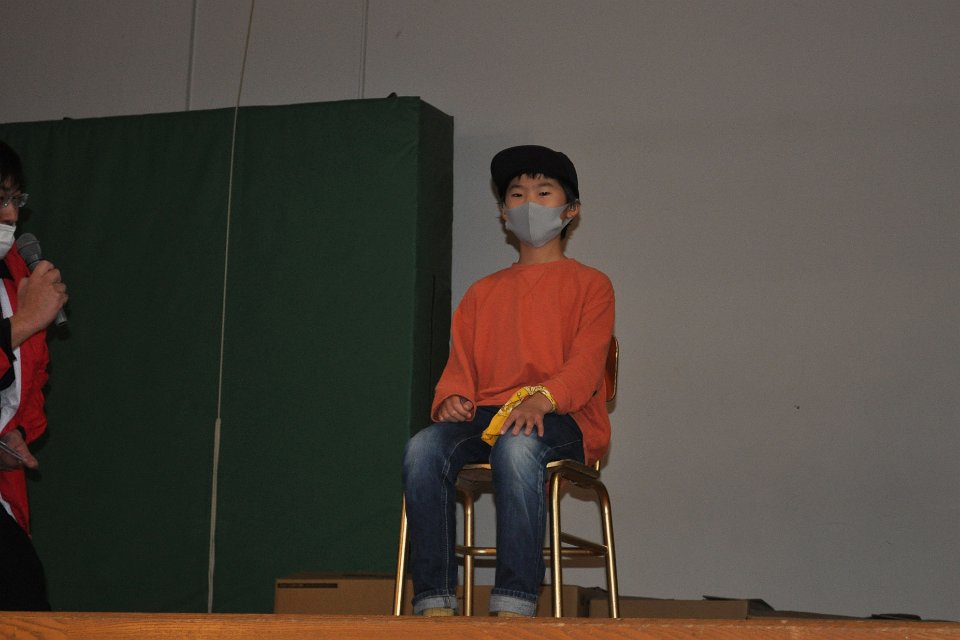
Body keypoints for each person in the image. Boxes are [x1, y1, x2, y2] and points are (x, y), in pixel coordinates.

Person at [402, 145, 615, 617]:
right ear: (503, 213)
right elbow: (460, 368)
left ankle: (514, 604)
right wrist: (452, 397)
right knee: (423, 448)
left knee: (517, 447)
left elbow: (585, 367)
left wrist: (542, 399)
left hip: (565, 418)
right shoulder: (482, 292)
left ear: (571, 209)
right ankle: (434, 602)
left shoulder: (592, 285)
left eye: (544, 192)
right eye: (517, 195)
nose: (529, 203)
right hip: (487, 417)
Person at [0, 140, 68, 610]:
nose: (11, 215)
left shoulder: (15, 272)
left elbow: (33, 372)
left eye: (15, 199)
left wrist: (17, 431)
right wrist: (24, 322)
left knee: (25, 592)